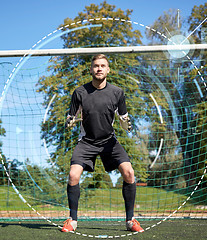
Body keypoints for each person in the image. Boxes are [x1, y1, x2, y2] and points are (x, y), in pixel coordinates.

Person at [61, 54, 144, 233]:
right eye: (96, 66)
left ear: (108, 70)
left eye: (102, 66)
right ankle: (72, 220)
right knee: (73, 175)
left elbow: (123, 118)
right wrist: (70, 121)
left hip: (109, 141)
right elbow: (72, 116)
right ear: (91, 69)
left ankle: (131, 220)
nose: (99, 68)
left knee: (129, 173)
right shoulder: (79, 92)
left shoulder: (117, 93)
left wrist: (125, 123)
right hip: (86, 141)